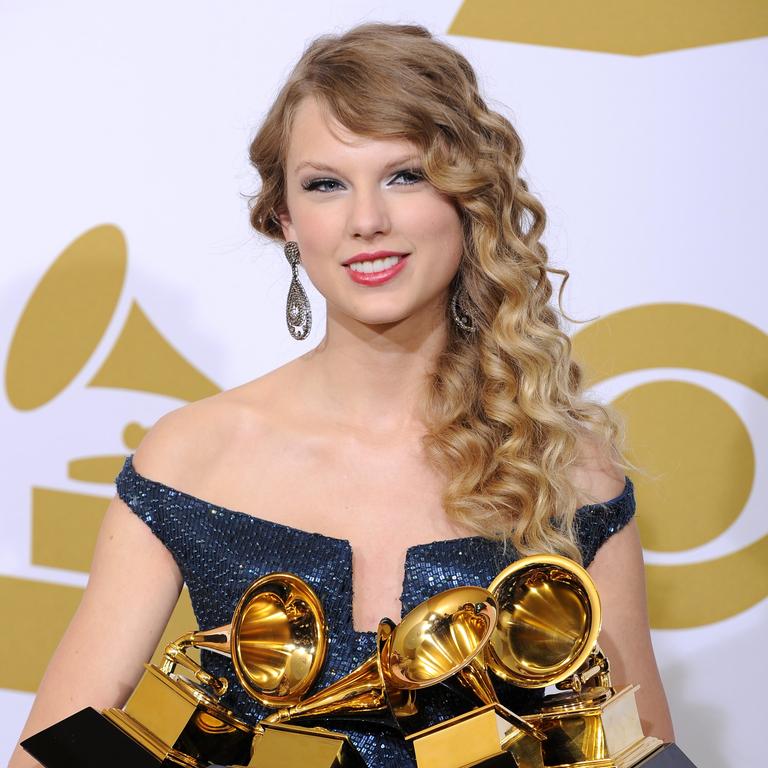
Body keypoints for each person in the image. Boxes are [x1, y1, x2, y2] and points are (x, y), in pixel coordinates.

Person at [11, 22, 674, 767]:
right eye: (326, 184)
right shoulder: (192, 456)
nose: (367, 222)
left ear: (469, 200)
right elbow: (52, 757)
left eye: (405, 175)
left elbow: (637, 754)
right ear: (286, 220)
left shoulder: (565, 466)